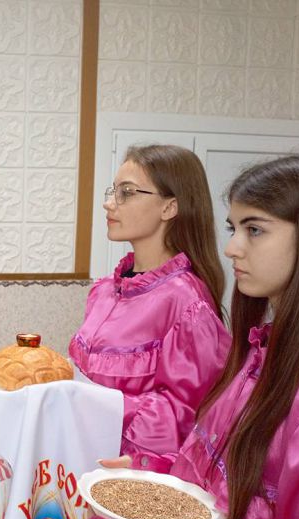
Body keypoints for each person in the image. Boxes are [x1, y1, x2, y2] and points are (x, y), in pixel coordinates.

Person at [89, 154, 299, 519]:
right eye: (233, 228)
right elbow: (230, 476)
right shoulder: (261, 353)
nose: (232, 248)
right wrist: (154, 472)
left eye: (255, 229)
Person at [69, 145, 230, 458]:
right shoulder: (103, 291)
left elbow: (189, 418)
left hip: (131, 476)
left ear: (169, 207)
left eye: (127, 193)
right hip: (78, 460)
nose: (108, 203)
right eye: (113, 191)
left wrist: (90, 403)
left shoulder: (187, 302)